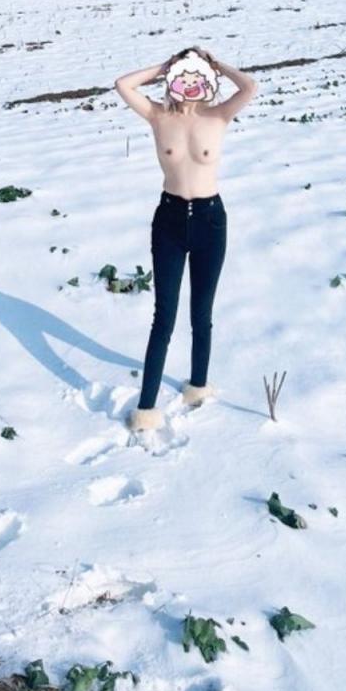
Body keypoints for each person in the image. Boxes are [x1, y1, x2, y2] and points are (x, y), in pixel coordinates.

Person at [114, 46, 257, 432]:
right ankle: (146, 407)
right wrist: (165, 66)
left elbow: (249, 86)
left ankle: (198, 386)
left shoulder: (218, 115)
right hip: (170, 221)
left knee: (201, 314)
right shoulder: (158, 116)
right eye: (183, 75)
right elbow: (122, 84)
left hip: (211, 221)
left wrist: (216, 64)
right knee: (164, 317)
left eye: (197, 76)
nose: (190, 82)